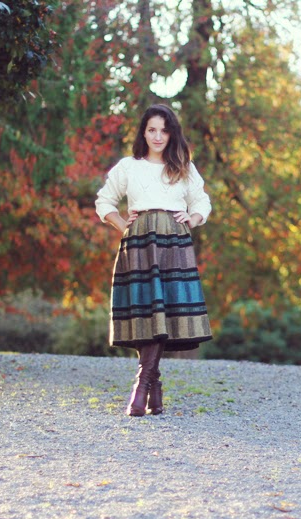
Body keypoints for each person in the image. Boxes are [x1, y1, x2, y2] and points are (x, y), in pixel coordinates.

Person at [95, 104, 213, 417]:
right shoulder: (128, 166)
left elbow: (201, 200)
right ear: (143, 133)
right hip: (139, 242)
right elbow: (104, 201)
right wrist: (123, 224)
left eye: (164, 130)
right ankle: (153, 384)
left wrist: (193, 218)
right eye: (152, 130)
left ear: (172, 133)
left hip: (174, 242)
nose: (158, 136)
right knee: (144, 310)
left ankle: (143, 384)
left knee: (163, 310)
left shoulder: (183, 166)